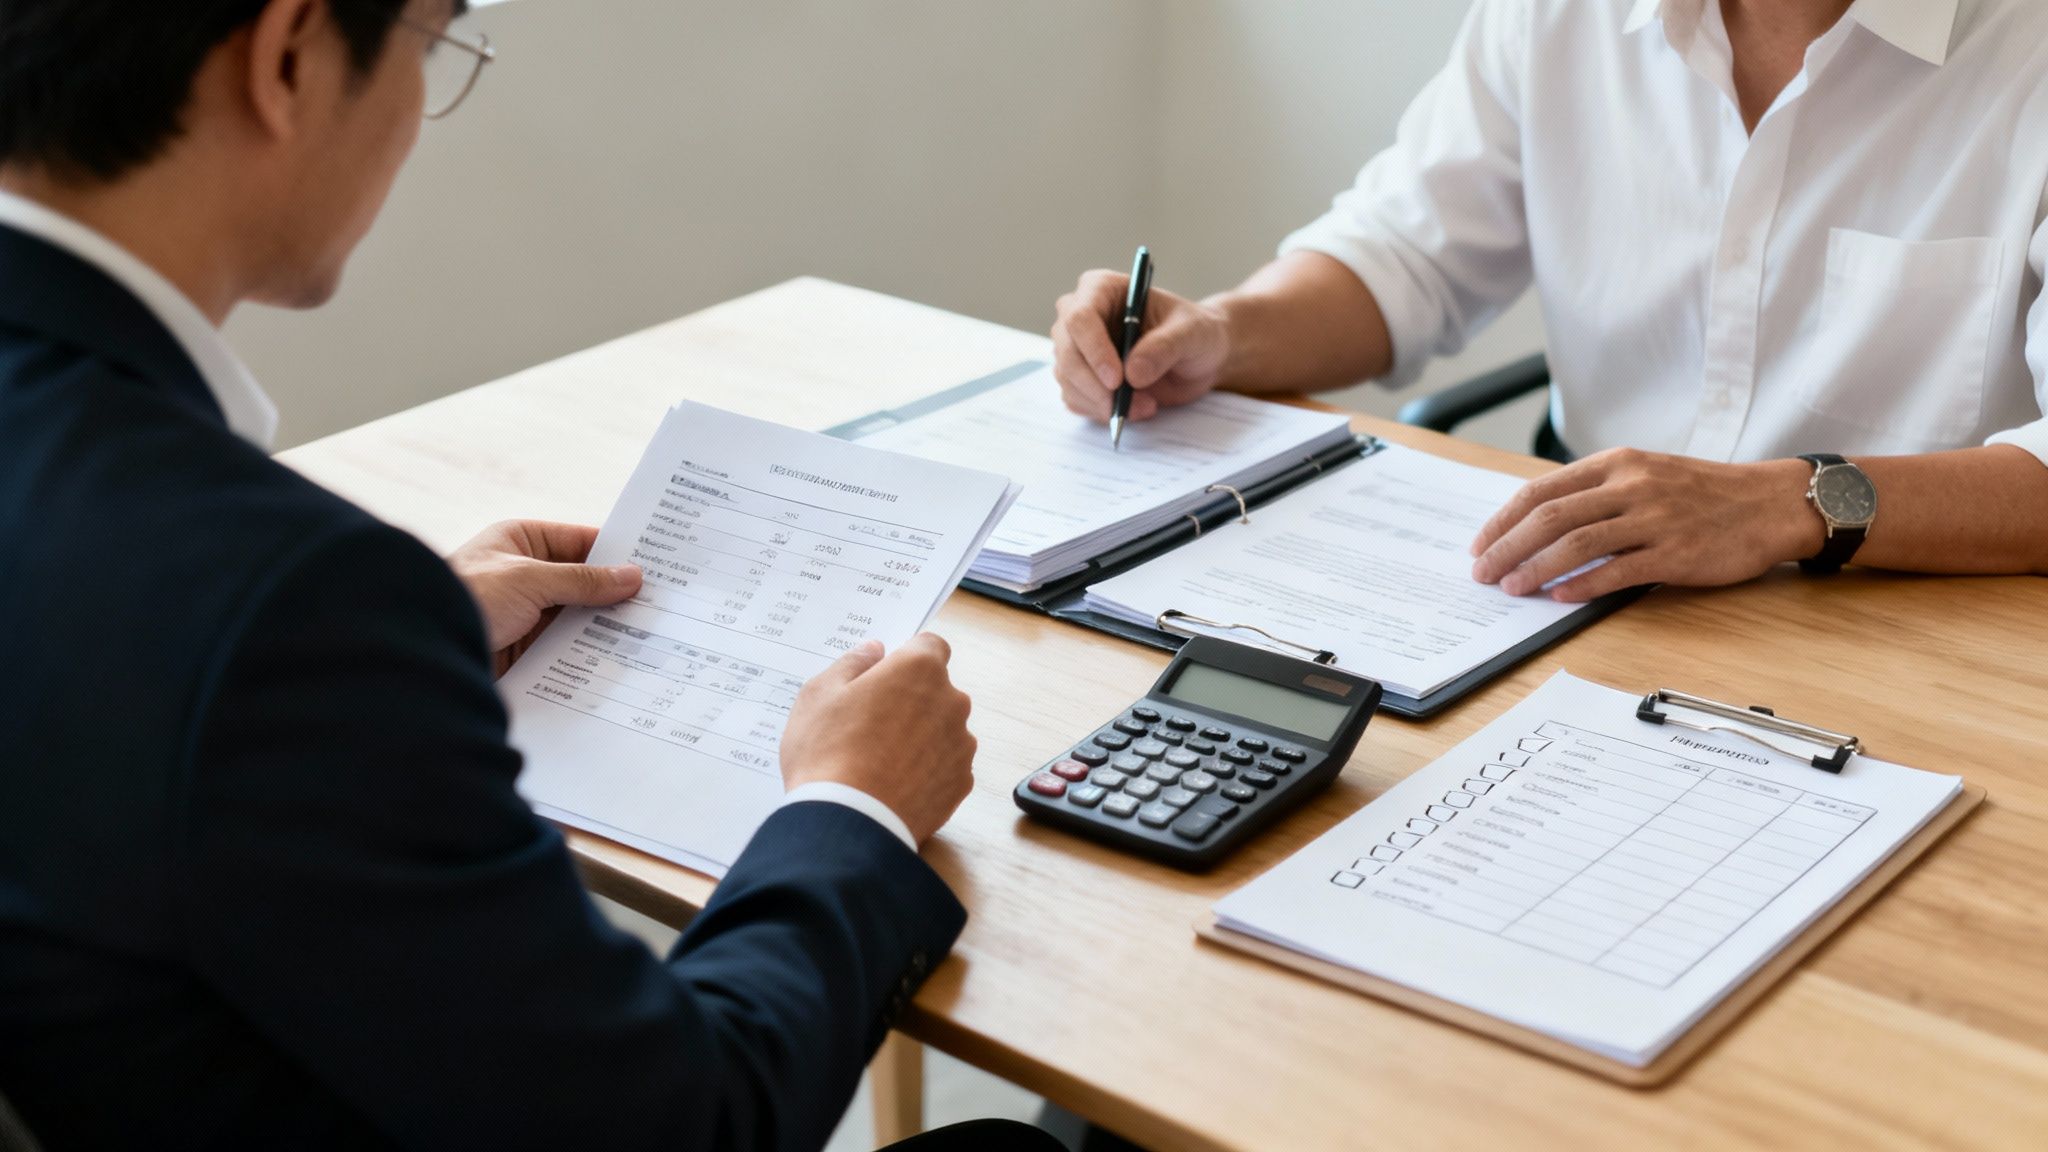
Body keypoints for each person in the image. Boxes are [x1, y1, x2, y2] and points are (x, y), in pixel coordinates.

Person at [0, 2, 1059, 1149]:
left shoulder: (225, 578)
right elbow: (686, 1122)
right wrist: (852, 805)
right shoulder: (287, 602)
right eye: (431, 43)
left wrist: (406, 644)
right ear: (289, 53)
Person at [1052, 0, 2048, 602]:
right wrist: (1220, 334)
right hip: (1586, 590)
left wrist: (1786, 502)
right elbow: (1404, 251)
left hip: (1915, 615)